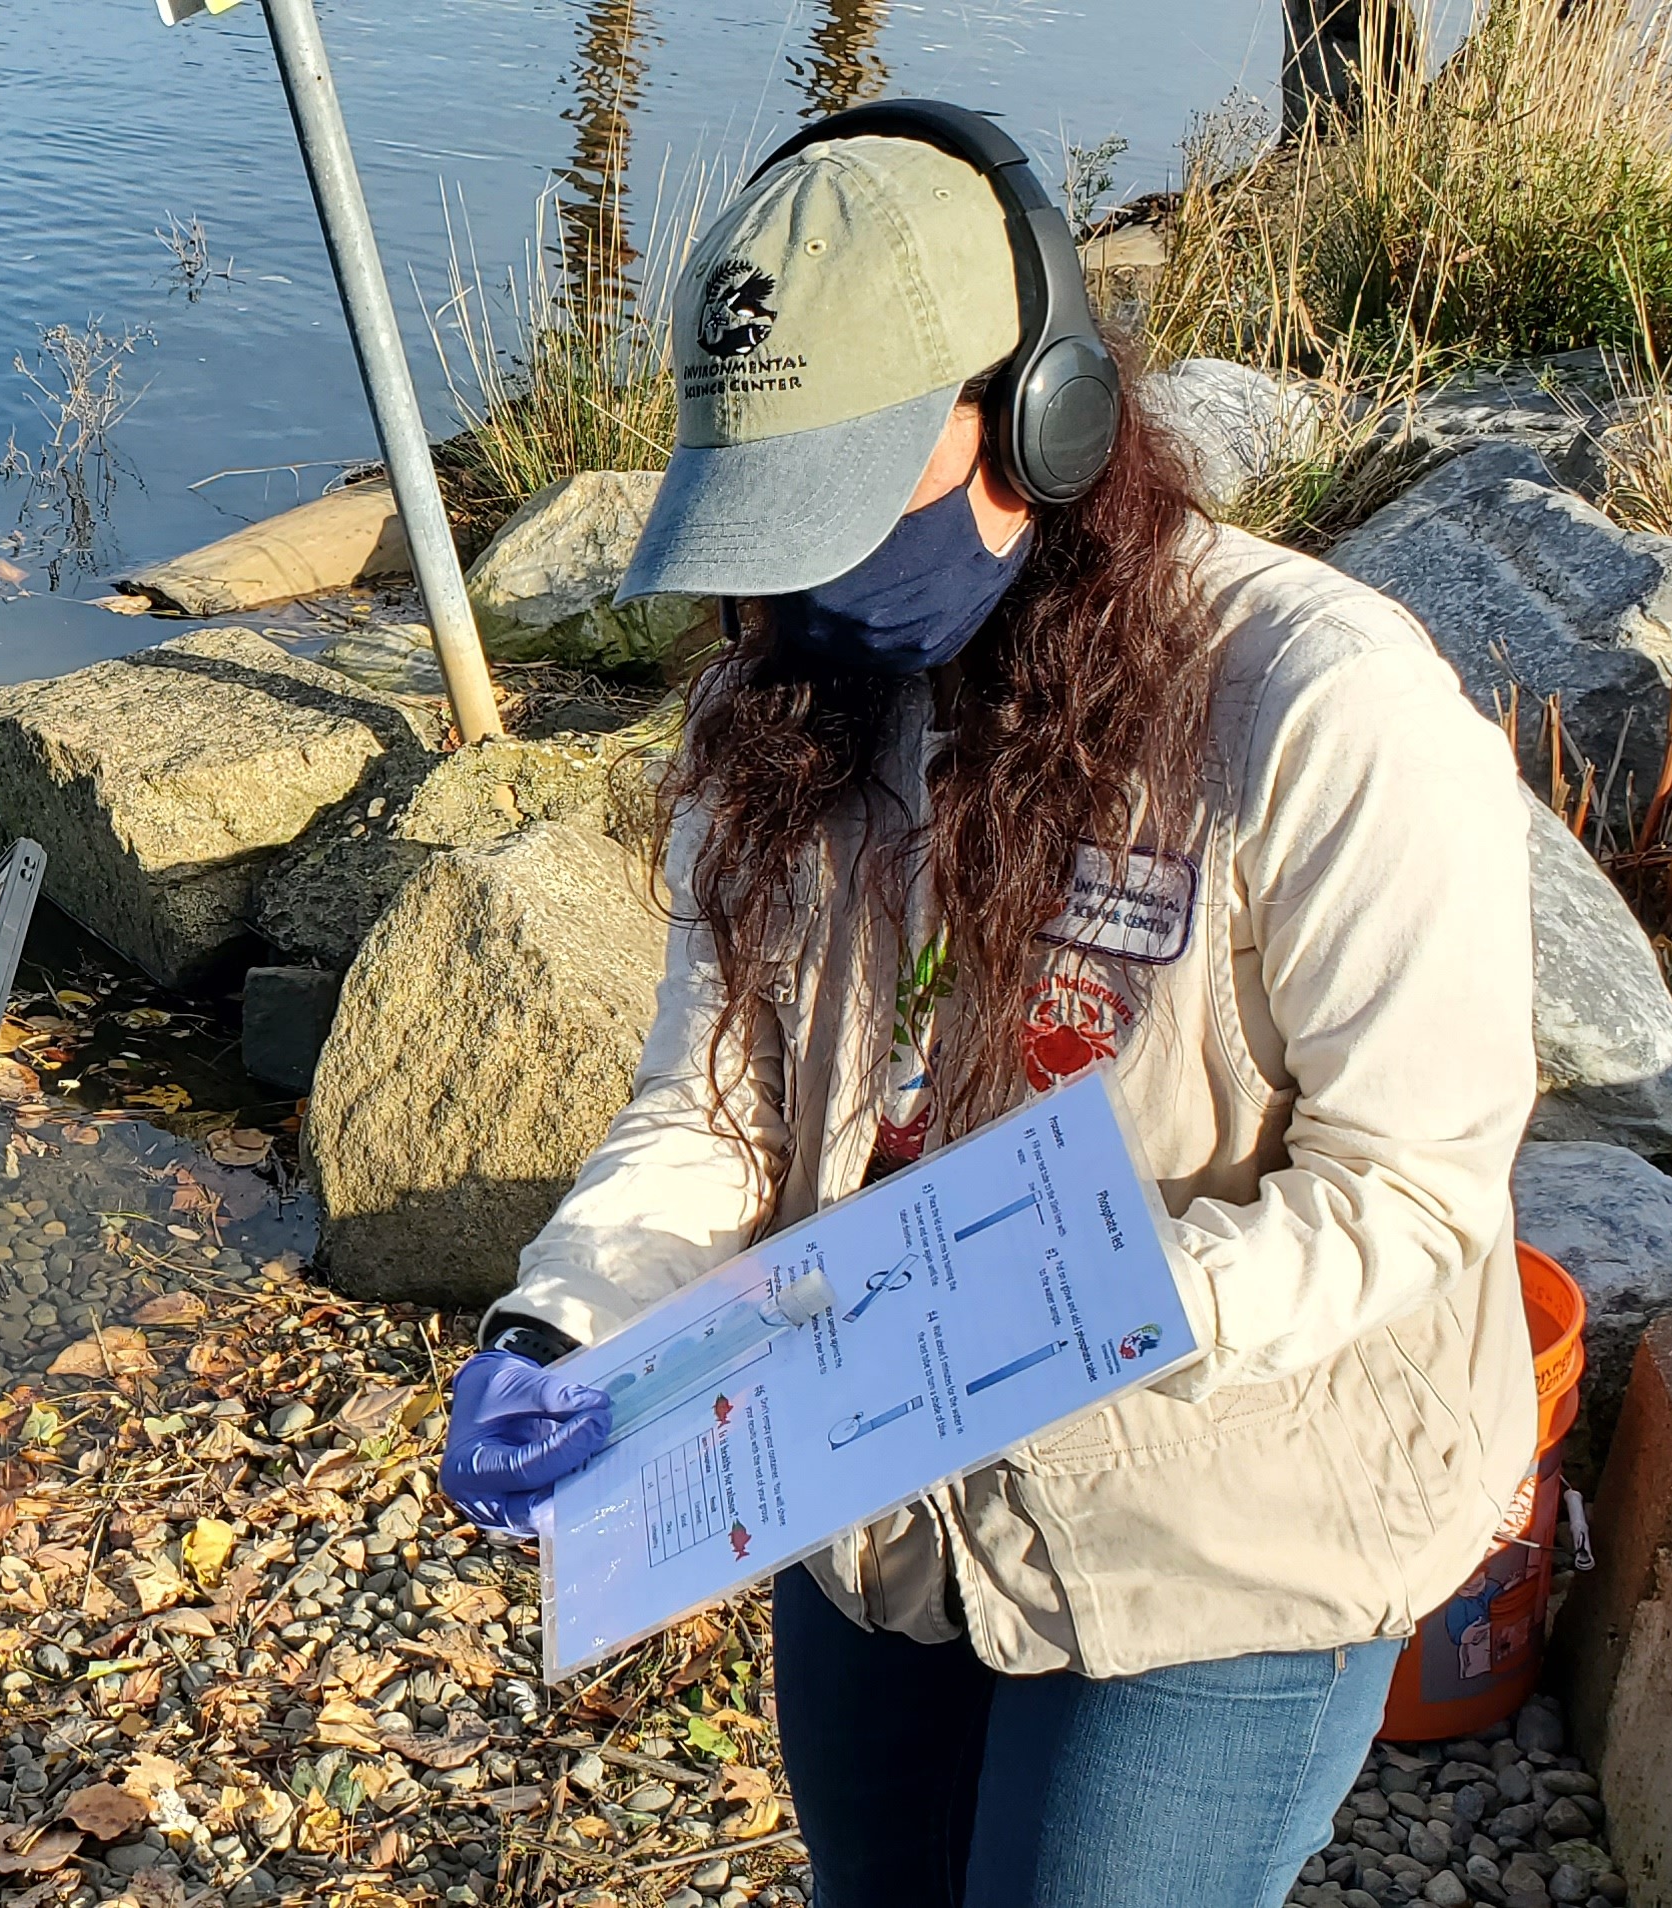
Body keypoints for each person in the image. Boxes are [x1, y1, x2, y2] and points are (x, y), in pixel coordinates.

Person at [438, 112, 1538, 1908]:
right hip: (875, 1496)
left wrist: (1057, 1312)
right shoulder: (785, 699)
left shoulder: (1328, 713)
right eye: (766, 527)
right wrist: (570, 1320)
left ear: (1046, 418)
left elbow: (1410, 1191)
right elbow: (716, 1100)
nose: (793, 593)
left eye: (846, 508)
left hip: (1228, 1516)